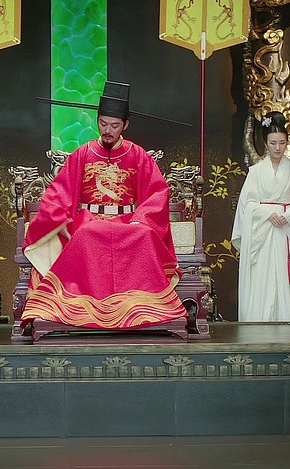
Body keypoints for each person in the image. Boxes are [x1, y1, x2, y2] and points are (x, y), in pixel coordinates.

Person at [21, 81, 187, 329]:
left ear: (125, 125)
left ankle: (141, 308)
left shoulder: (138, 155)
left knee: (143, 235)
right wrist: (60, 219)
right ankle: (80, 308)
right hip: (90, 221)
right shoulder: (82, 154)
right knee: (86, 234)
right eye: (103, 123)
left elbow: (157, 193)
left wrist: (141, 221)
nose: (108, 130)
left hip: (129, 223)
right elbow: (59, 191)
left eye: (115, 125)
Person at [231, 111, 290, 324]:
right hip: (264, 236)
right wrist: (268, 214)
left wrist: (289, 214)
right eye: (273, 143)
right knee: (263, 279)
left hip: (287, 233)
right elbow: (247, 204)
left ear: (287, 142)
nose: (278, 148)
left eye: (282, 143)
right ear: (265, 143)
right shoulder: (256, 172)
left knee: (288, 281)